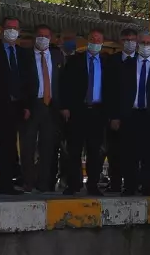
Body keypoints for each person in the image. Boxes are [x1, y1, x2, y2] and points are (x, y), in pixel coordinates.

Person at [0, 16, 34, 195]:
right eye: (8, 27)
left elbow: (26, 82)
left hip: (14, 108)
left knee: (8, 148)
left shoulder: (23, 53)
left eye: (15, 28)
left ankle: (5, 185)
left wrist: (26, 105)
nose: (12, 30)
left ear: (19, 31)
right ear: (1, 30)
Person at [114, 31, 150, 196]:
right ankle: (130, 186)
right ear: (137, 44)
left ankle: (147, 186)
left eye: (149, 43)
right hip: (130, 115)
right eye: (143, 42)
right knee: (129, 153)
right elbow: (119, 93)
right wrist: (116, 116)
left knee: (149, 153)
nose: (145, 45)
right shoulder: (127, 65)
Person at [61, 28, 109, 195]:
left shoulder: (107, 63)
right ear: (87, 41)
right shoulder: (74, 61)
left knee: (94, 151)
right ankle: (73, 184)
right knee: (74, 149)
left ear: (102, 43)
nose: (95, 42)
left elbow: (112, 89)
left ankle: (93, 184)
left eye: (98, 40)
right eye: (92, 39)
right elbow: (65, 84)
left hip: (98, 112)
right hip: (77, 110)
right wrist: (65, 107)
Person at [22, 24, 63, 192]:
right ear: (34, 37)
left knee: (48, 147)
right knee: (27, 147)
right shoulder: (25, 56)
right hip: (31, 106)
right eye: (40, 35)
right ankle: (27, 182)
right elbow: (21, 83)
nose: (43, 39)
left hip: (51, 107)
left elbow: (61, 82)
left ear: (51, 38)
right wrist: (24, 105)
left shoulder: (57, 56)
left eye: (46, 36)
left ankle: (44, 183)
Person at [102, 26, 139, 193]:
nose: (129, 43)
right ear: (120, 41)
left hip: (137, 115)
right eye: (126, 40)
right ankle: (115, 183)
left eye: (132, 39)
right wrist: (113, 115)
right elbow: (108, 90)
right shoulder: (112, 61)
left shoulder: (142, 61)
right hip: (116, 115)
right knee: (114, 151)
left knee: (133, 152)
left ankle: (131, 184)